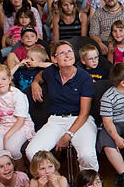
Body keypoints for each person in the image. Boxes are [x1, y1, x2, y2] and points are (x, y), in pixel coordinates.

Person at [26, 41, 99, 172]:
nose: (67, 55)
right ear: (54, 59)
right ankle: (55, 181)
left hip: (81, 120)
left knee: (87, 155)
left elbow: (85, 113)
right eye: (62, 53)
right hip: (56, 120)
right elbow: (40, 76)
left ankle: (90, 186)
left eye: (69, 51)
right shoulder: (51, 72)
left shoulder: (84, 77)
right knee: (32, 152)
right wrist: (35, 83)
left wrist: (68, 135)